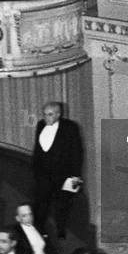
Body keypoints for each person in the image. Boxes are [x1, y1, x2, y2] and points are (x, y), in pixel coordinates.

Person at [32, 102, 82, 239]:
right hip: (43, 173)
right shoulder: (40, 125)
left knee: (62, 204)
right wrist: (35, 169)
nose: (46, 117)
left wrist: (75, 176)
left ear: (58, 114)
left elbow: (77, 152)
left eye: (50, 114)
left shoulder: (71, 127)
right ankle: (39, 229)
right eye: (44, 114)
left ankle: (60, 230)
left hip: (63, 175)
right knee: (41, 202)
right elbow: (37, 148)